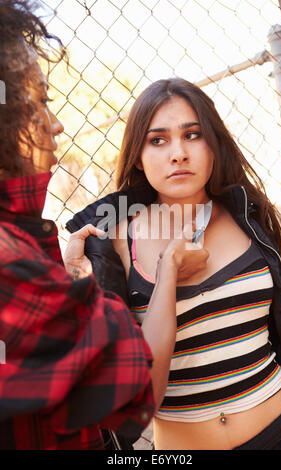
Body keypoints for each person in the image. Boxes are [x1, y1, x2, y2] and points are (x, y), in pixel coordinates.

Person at [67, 76, 281, 450]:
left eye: (192, 134)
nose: (178, 153)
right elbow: (142, 395)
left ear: (214, 145)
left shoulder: (248, 216)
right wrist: (167, 276)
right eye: (157, 140)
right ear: (139, 158)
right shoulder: (112, 243)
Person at [0, 0, 161, 450]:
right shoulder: (7, 258)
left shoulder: (25, 237)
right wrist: (98, 280)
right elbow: (126, 388)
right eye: (43, 101)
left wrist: (62, 274)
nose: (58, 125)